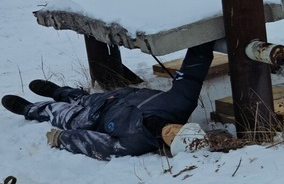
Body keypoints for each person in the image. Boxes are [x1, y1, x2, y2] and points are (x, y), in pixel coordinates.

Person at [2, 42, 215, 160]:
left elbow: (95, 144)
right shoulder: (181, 102)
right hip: (115, 97)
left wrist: (62, 139)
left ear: (170, 148)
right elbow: (192, 74)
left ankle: (30, 108)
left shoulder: (134, 144)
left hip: (92, 119)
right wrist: (203, 42)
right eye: (180, 131)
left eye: (174, 140)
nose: (172, 133)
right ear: (185, 126)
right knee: (83, 97)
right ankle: (61, 91)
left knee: (58, 113)